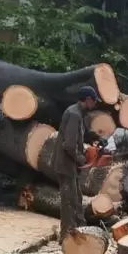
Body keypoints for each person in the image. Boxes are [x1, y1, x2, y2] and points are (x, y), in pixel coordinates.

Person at [52, 86, 101, 243]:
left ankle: (81, 229)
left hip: (70, 165)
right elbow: (69, 145)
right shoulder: (74, 114)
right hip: (66, 164)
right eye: (93, 102)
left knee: (77, 198)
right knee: (69, 201)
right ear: (87, 100)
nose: (94, 105)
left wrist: (98, 138)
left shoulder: (78, 113)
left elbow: (83, 133)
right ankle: (67, 236)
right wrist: (81, 159)